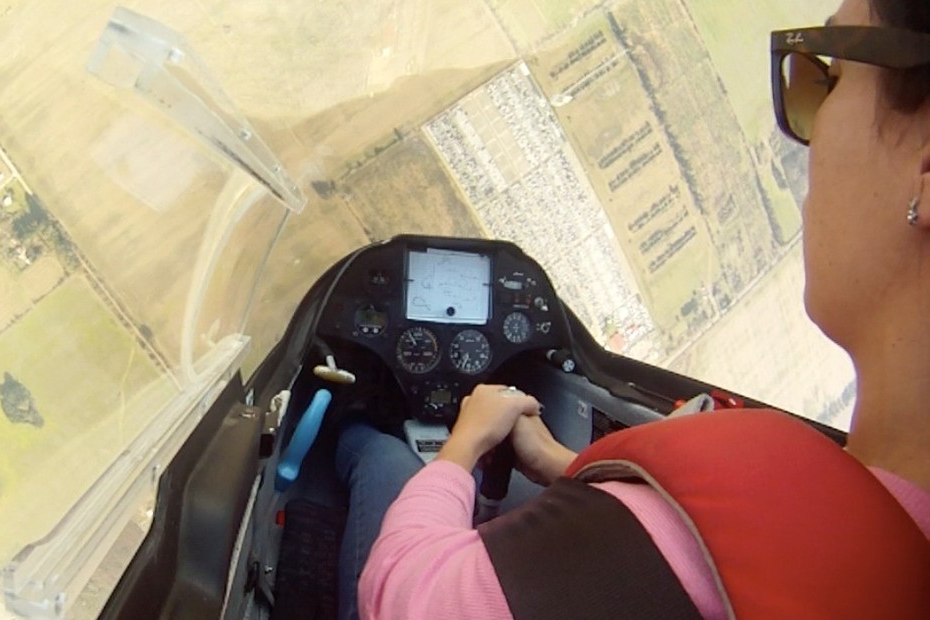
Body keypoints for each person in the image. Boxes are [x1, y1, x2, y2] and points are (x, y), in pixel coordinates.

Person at [335, 1, 930, 618]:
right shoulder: (877, 538)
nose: (808, 132)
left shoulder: (772, 507)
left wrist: (464, 442)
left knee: (377, 454)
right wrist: (570, 468)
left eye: (825, 76)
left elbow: (404, 597)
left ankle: (351, 432)